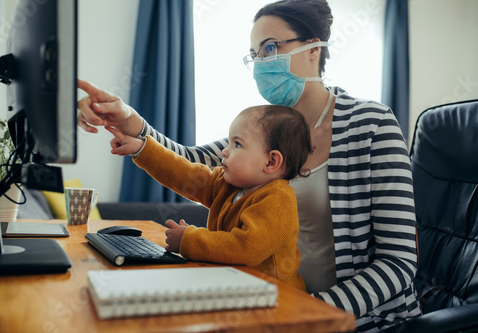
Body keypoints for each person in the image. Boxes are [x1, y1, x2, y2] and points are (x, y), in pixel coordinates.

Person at [77, 1, 421, 331]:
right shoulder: (263, 128)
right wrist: (130, 123)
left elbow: (399, 263)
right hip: (272, 307)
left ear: (313, 48)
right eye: (255, 54)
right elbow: (191, 163)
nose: (260, 63)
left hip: (358, 322)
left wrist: (313, 312)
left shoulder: (372, 125)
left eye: (270, 48)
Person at [106, 105, 312, 292]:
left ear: (271, 161)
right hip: (234, 289)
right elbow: (183, 173)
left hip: (277, 301)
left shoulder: (278, 200)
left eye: (237, 144)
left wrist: (188, 239)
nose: (225, 151)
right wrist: (142, 148)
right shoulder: (227, 184)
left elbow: (245, 249)